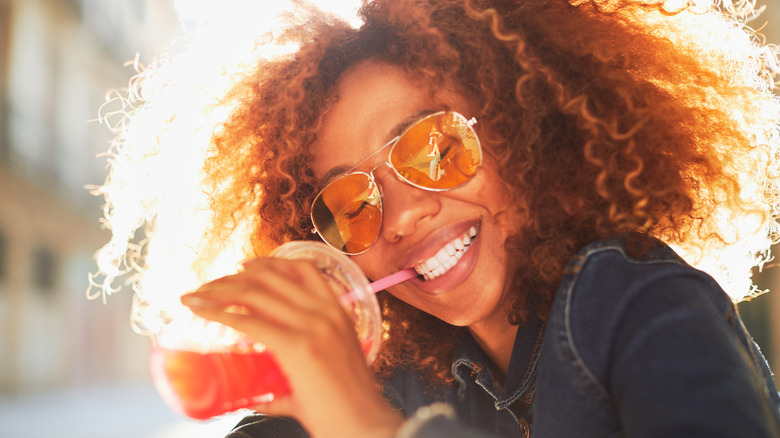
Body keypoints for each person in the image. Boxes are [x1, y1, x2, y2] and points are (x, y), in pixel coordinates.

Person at [92, 0, 780, 436]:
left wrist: (365, 426)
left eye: (435, 147)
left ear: (520, 129)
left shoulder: (641, 303)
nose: (401, 215)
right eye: (352, 205)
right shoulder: (423, 369)